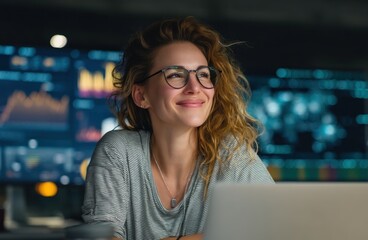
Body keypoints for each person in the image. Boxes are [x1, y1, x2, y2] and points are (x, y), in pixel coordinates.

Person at [81, 16, 275, 240]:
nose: (194, 87)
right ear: (142, 95)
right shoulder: (118, 152)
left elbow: (279, 228)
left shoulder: (232, 155)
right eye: (175, 75)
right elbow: (101, 235)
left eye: (203, 75)